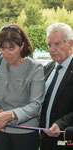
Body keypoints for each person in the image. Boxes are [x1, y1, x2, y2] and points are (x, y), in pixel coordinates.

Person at [0, 24, 45, 150]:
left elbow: (36, 105)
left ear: (22, 46)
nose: (6, 53)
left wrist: (11, 115)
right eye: (2, 48)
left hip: (25, 134)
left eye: (11, 48)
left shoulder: (35, 68)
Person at [40, 22, 73, 150]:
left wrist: (61, 124)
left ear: (70, 43)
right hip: (45, 140)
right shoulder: (47, 69)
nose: (51, 49)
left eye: (57, 44)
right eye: (49, 44)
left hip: (67, 141)